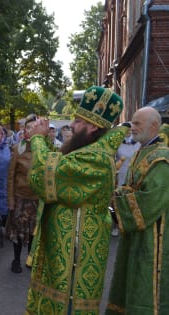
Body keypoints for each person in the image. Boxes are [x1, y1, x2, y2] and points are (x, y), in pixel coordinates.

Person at [25, 86, 126, 315]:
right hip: (67, 250)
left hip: (76, 256)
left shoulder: (97, 158)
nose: (71, 124)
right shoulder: (88, 150)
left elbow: (47, 177)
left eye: (78, 121)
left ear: (92, 126)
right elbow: (60, 164)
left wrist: (38, 140)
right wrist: (47, 144)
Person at [105, 107, 169, 315]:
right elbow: (129, 188)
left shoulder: (162, 159)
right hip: (137, 235)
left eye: (137, 123)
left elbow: (149, 200)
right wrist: (122, 193)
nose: (132, 128)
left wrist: (117, 201)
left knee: (147, 287)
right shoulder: (142, 152)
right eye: (132, 123)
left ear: (154, 126)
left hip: (154, 237)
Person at [5, 114, 38, 273]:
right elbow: (11, 176)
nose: (29, 130)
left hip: (37, 199)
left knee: (34, 231)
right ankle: (16, 260)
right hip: (20, 198)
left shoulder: (44, 149)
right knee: (18, 231)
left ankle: (30, 259)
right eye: (27, 127)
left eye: (32, 127)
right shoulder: (17, 149)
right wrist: (11, 200)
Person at [112, 122, 140, 236]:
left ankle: (133, 225)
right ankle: (116, 226)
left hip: (133, 174)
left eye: (130, 129)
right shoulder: (117, 143)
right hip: (120, 174)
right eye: (126, 129)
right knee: (117, 201)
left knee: (132, 199)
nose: (128, 131)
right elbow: (112, 159)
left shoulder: (138, 142)